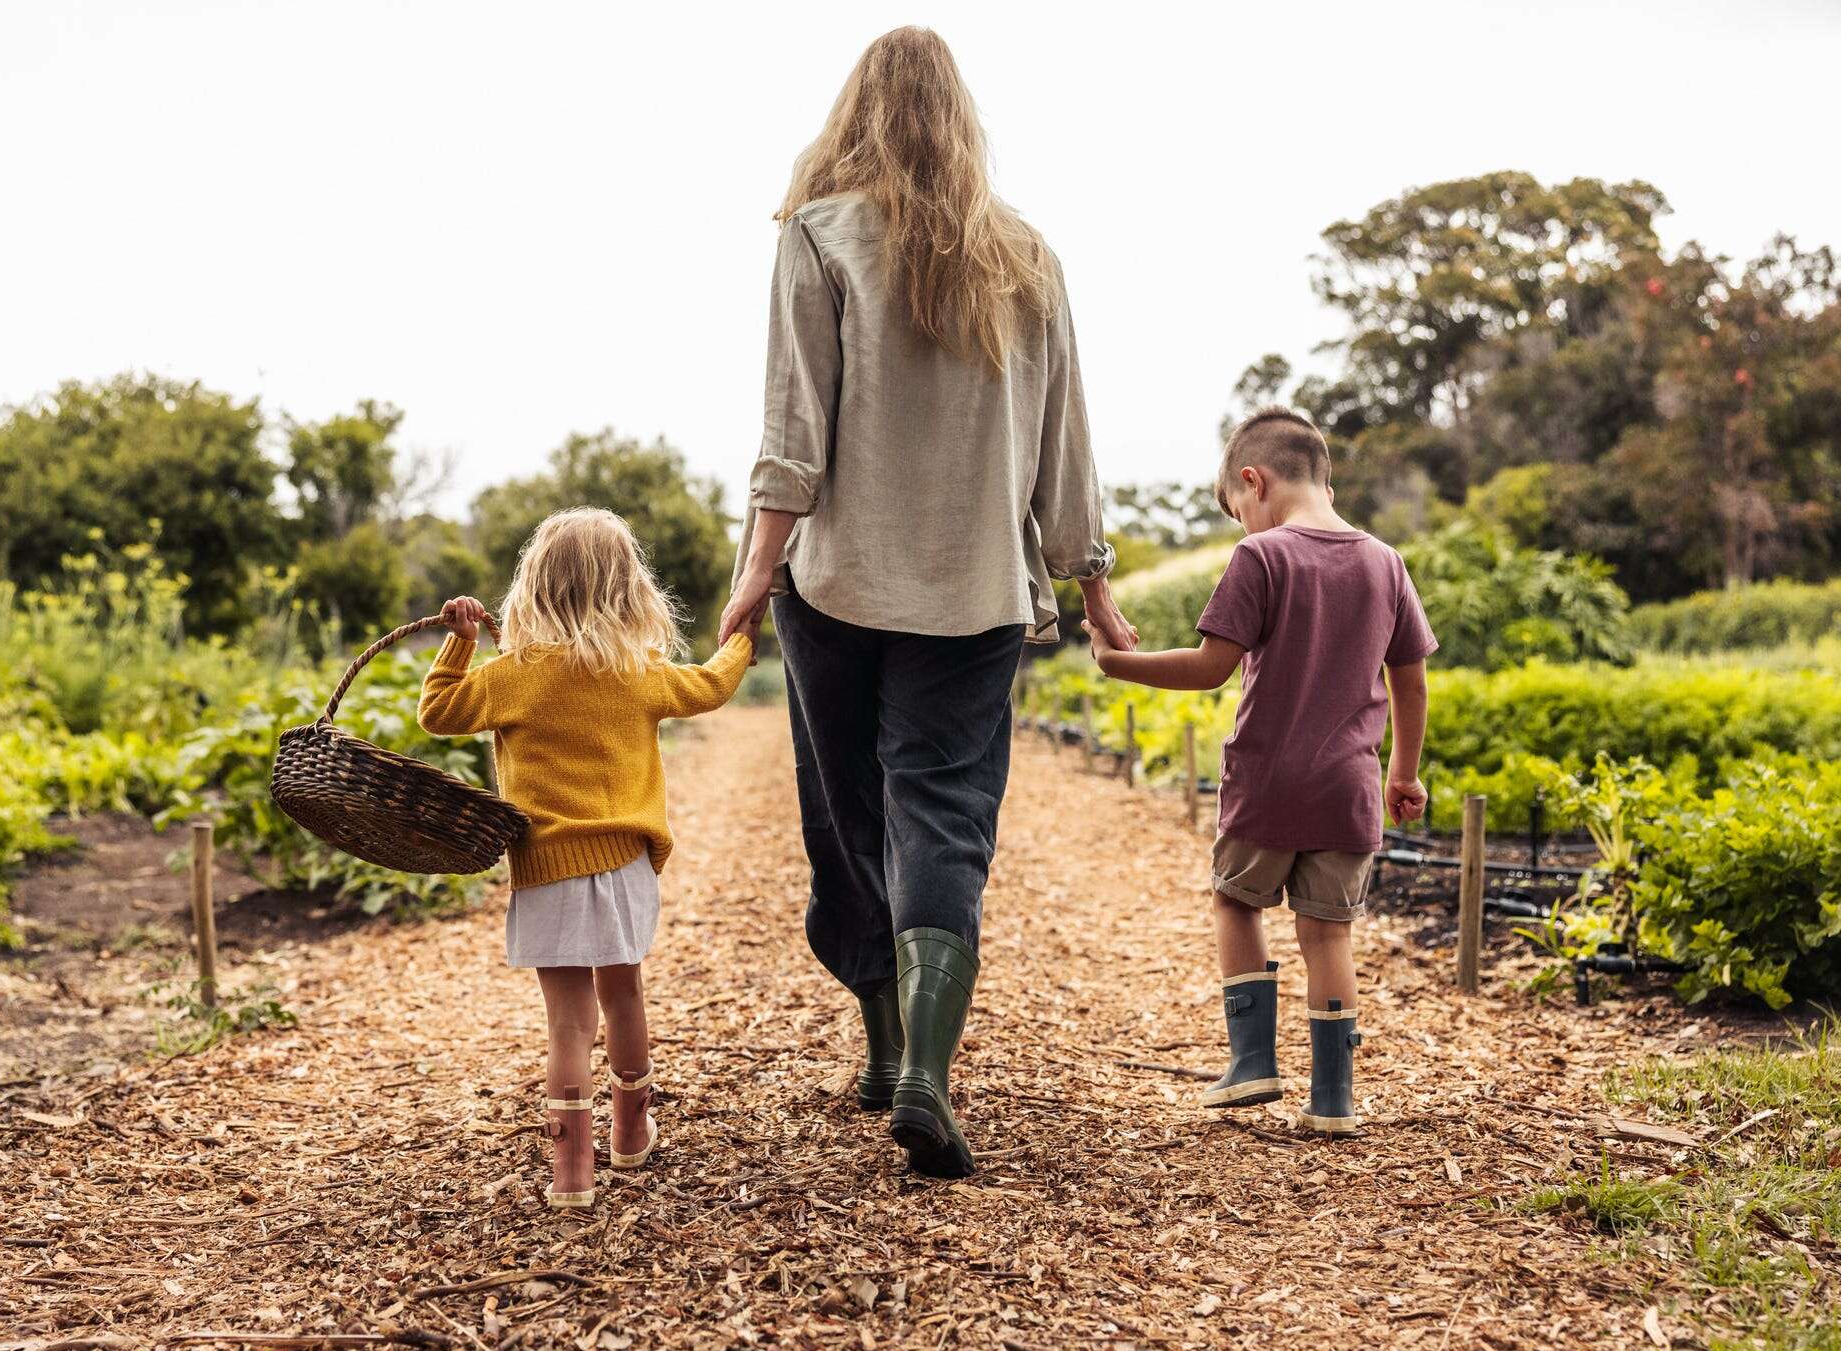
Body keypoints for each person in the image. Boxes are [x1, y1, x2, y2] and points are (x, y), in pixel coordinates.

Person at [718, 27, 1130, 1179]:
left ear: (853, 113)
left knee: (851, 812)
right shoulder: (1026, 257)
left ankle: (889, 1045)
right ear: (961, 118)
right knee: (942, 815)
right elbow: (1066, 444)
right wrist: (1088, 580)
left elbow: (790, 431)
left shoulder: (815, 235)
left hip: (839, 585)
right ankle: (927, 1072)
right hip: (977, 593)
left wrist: (756, 571)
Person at [1083, 408, 1436, 1135]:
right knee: (1328, 934)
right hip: (1349, 788)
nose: (1245, 523)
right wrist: (1402, 773)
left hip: (1268, 781)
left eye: (1240, 509)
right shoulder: (1384, 561)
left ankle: (1252, 1064)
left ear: (1256, 480)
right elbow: (1411, 679)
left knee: (1237, 903)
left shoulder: (1263, 558)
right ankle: (1333, 1099)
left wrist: (1117, 662)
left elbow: (1211, 669)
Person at [419, 508, 751, 1206]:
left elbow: (439, 711)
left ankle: (572, 1173)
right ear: (630, 591)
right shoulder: (639, 673)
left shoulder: (513, 675)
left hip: (546, 869)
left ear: (533, 588)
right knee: (623, 992)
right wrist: (740, 637)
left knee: (568, 1022)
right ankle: (632, 1133)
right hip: (624, 863)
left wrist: (460, 643)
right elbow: (712, 686)